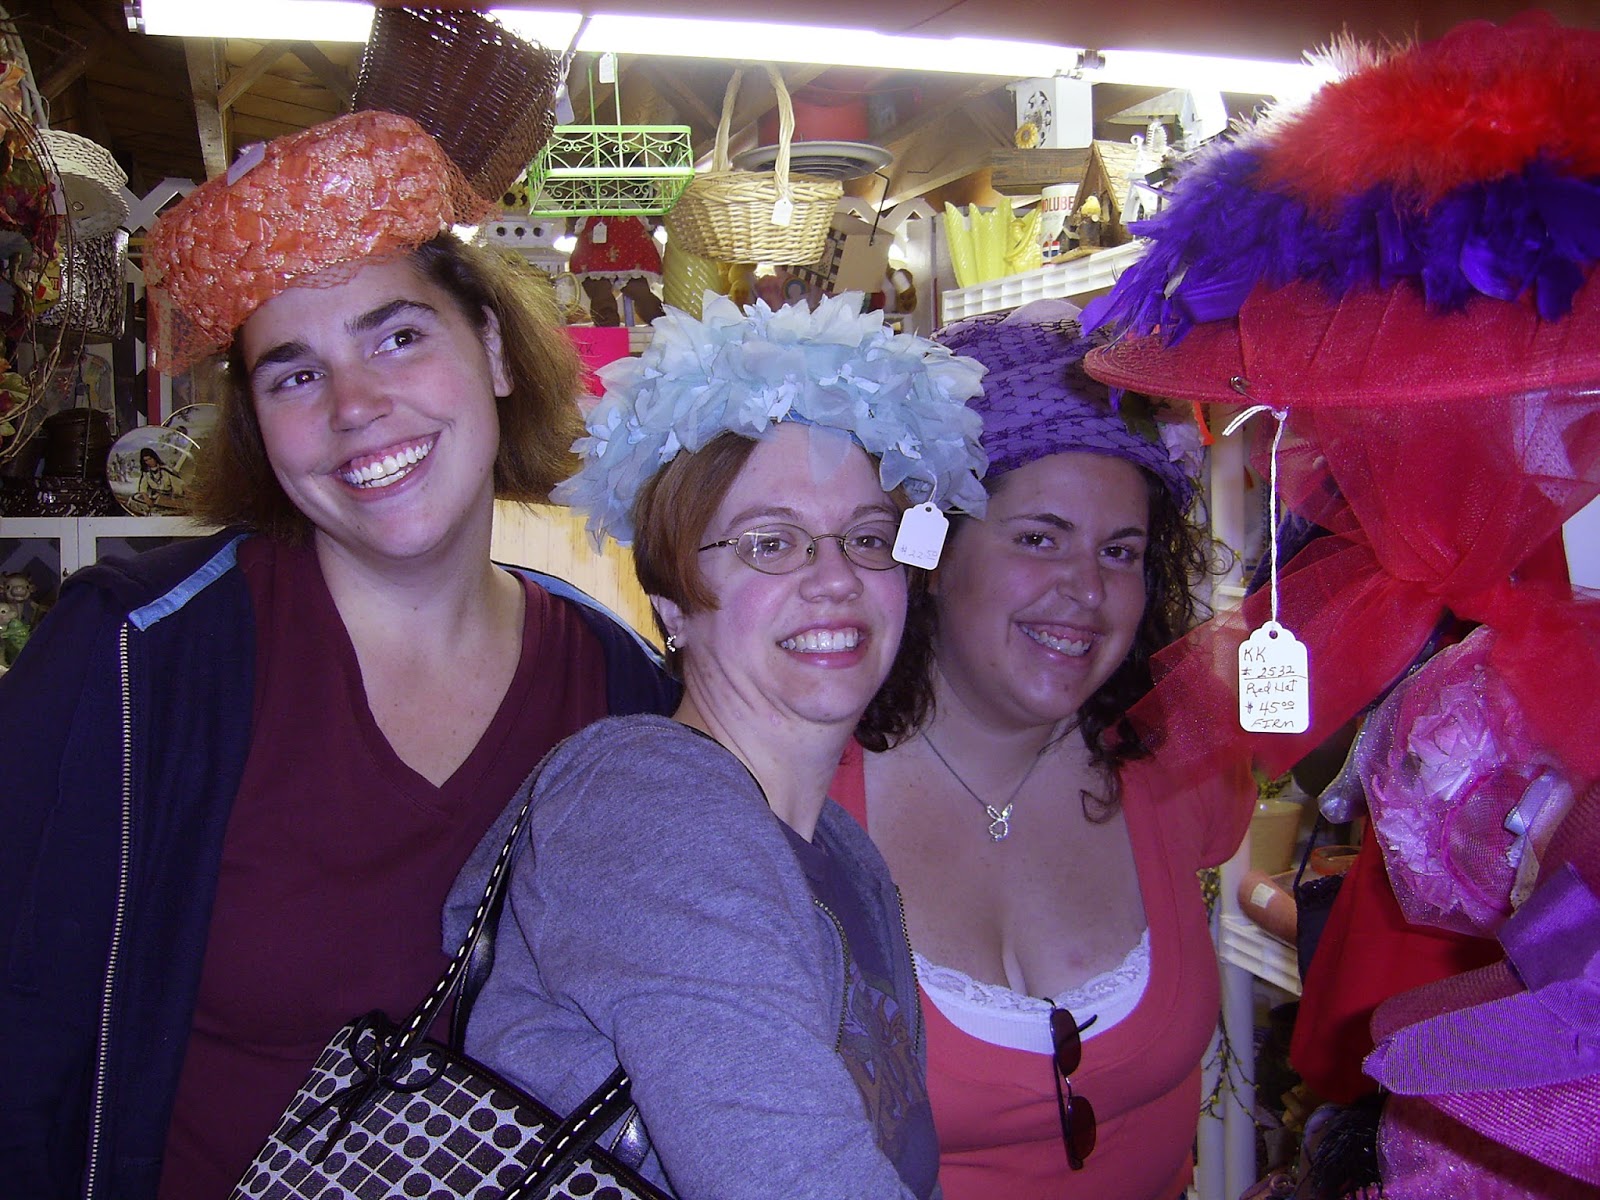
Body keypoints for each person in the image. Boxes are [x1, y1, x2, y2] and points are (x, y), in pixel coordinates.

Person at [0, 110, 677, 1200]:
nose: (357, 407)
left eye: (397, 337)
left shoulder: (618, 686)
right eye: (294, 375)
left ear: (493, 351)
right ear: (256, 424)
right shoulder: (135, 662)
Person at [445, 290, 991, 1199]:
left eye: (868, 538)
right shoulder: (648, 804)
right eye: (771, 544)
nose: (835, 579)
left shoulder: (843, 853)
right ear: (671, 607)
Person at [830, 301, 1251, 1199]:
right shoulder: (802, 797)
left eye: (1121, 552)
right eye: (1038, 538)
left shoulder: (1180, 764)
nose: (1087, 591)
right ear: (934, 552)